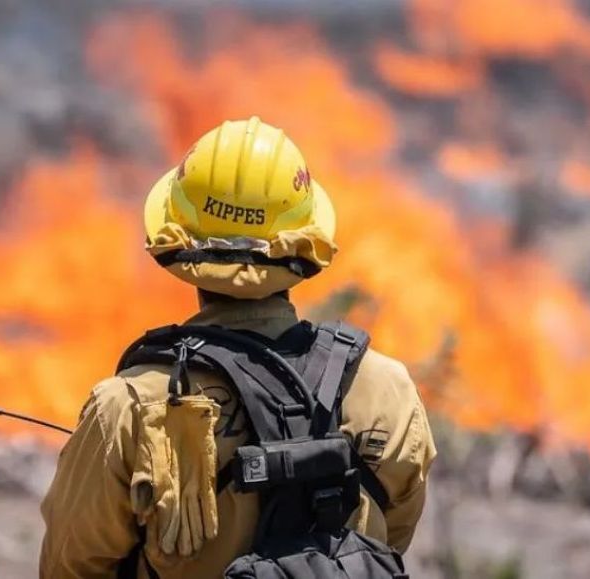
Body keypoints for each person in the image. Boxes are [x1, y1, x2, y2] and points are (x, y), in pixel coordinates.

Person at [39, 117, 436, 578]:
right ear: (305, 243)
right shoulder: (387, 389)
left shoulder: (128, 406)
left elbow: (70, 566)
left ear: (178, 241)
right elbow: (387, 539)